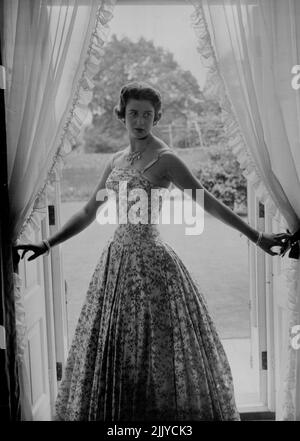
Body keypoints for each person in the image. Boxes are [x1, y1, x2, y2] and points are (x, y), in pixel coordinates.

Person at [14, 81, 290, 421]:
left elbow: (208, 203)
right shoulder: (116, 160)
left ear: (156, 117)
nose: (140, 120)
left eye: (147, 114)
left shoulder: (167, 159)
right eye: (133, 113)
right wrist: (46, 243)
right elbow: (89, 211)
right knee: (118, 353)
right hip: (115, 263)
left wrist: (256, 235)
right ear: (122, 115)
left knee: (156, 353)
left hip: (153, 265)